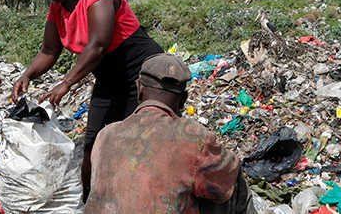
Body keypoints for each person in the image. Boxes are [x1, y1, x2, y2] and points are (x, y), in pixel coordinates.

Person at [9, 0, 163, 199]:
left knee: (146, 145)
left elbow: (98, 45)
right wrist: (27, 75)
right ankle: (91, 202)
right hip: (109, 80)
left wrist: (67, 83)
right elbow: (49, 50)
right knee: (94, 148)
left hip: (144, 77)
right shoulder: (58, 6)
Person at [86, 53, 253, 214]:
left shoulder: (105, 134)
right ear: (183, 99)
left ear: (139, 89)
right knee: (230, 176)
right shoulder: (194, 137)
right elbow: (227, 177)